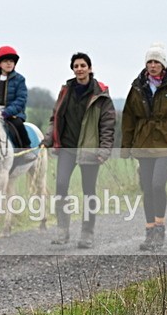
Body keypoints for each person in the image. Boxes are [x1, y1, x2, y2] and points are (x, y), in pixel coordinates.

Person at [121, 43, 167, 251]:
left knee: (157, 185)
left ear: (163, 64)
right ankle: (149, 231)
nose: (152, 65)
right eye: (149, 62)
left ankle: (160, 228)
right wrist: (125, 147)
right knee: (147, 188)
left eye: (156, 62)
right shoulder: (137, 86)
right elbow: (128, 117)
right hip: (144, 142)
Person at [44, 52, 115, 248]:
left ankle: (87, 233)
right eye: (76, 66)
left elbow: (107, 125)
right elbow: (55, 118)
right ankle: (62, 230)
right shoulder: (66, 91)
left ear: (90, 68)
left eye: (83, 65)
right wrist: (48, 138)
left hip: (90, 150)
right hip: (67, 147)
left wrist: (104, 150)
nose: (79, 69)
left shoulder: (101, 95)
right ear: (73, 69)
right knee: (61, 185)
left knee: (88, 191)